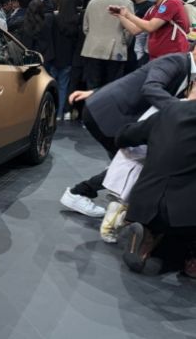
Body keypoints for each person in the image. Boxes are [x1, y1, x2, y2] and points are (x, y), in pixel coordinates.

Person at [59, 46, 196, 217]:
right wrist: (180, 111)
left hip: (114, 113)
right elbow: (150, 87)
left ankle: (101, 196)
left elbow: (134, 78)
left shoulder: (185, 68)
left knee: (129, 163)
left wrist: (95, 91)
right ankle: (80, 193)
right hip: (107, 115)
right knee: (131, 163)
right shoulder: (175, 61)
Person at [115, 96, 196, 277]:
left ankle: (147, 237)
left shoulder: (169, 111)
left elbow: (124, 136)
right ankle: (188, 259)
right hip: (185, 214)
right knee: (181, 237)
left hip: (143, 203)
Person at [110, 0, 190, 61]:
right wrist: (120, 15)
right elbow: (135, 30)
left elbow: (151, 27)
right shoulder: (153, 8)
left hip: (172, 57)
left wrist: (128, 14)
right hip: (156, 57)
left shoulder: (171, 2)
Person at [80, 0, 134, 89]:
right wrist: (123, 42)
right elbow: (129, 30)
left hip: (92, 49)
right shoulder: (126, 3)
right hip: (115, 51)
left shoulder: (92, 2)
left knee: (92, 88)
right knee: (112, 89)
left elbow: (86, 28)